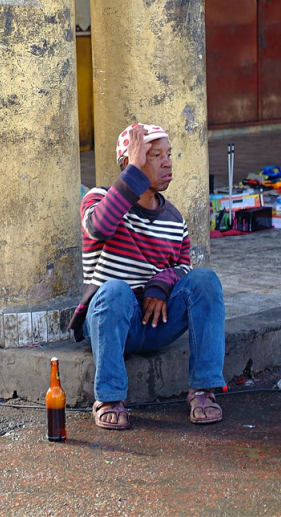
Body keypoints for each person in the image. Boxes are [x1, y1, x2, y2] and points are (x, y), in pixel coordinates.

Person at [68, 123, 226, 430]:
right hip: (111, 322)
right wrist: (134, 175)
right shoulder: (100, 198)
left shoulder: (175, 219)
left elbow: (183, 268)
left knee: (206, 281)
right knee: (114, 290)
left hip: (156, 323)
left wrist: (161, 284)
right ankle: (110, 398)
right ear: (131, 163)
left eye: (168, 154)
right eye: (154, 155)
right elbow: (99, 227)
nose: (167, 162)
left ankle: (203, 391)